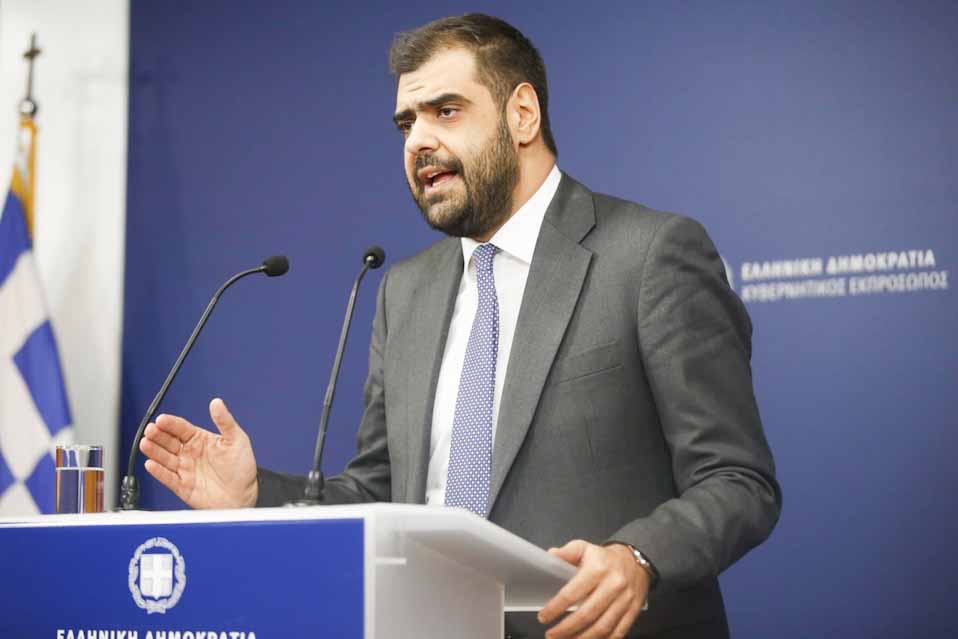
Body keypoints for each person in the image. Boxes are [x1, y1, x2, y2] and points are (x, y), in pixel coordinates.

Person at [140, 14, 781, 639]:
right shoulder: (405, 291)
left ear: (521, 114)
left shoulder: (648, 255)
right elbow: (380, 494)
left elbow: (737, 481)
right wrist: (256, 495)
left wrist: (638, 557)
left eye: (445, 111)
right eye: (406, 122)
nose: (417, 141)